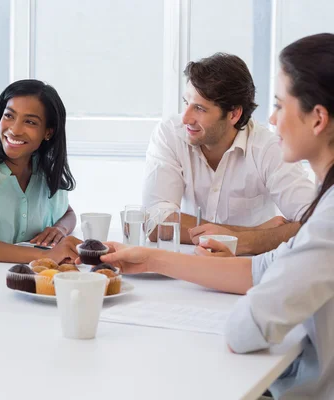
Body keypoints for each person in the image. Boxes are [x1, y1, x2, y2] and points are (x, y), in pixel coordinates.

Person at [102, 33, 334, 399]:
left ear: (317, 118)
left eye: (279, 104)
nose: (273, 119)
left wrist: (248, 242)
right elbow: (258, 269)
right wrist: (148, 257)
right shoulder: (328, 209)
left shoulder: (328, 216)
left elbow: (246, 328)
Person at [143, 53, 315, 255]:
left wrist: (235, 240)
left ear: (234, 114)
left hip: (249, 268)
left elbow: (314, 222)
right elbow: (155, 222)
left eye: (199, 108)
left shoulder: (268, 148)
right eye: (186, 102)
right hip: (190, 265)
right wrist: (254, 233)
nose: (186, 118)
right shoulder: (170, 134)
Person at [0, 79, 81, 263]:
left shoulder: (44, 171)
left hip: (27, 280)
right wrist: (47, 255)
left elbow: (68, 213)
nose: (14, 129)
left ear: (48, 132)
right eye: (9, 116)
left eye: (30, 121)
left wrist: (60, 229)